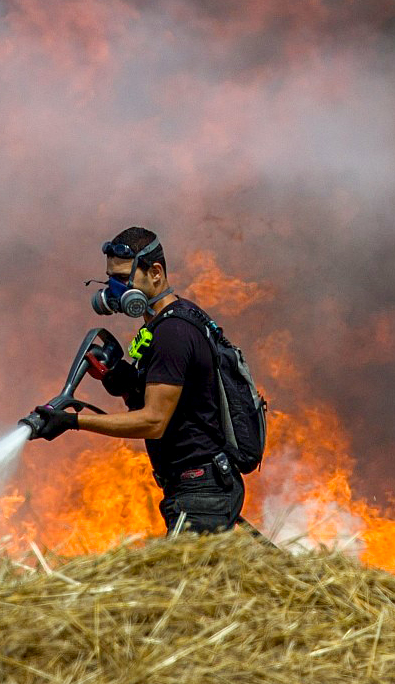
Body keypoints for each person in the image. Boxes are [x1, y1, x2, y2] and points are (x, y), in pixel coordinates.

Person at [25, 226, 252, 535]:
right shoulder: (169, 323)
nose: (114, 291)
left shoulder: (173, 333)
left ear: (155, 272)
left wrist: (73, 422)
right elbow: (181, 407)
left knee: (185, 583)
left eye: (122, 279)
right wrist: (128, 385)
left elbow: (153, 422)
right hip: (198, 488)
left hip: (202, 491)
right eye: (110, 281)